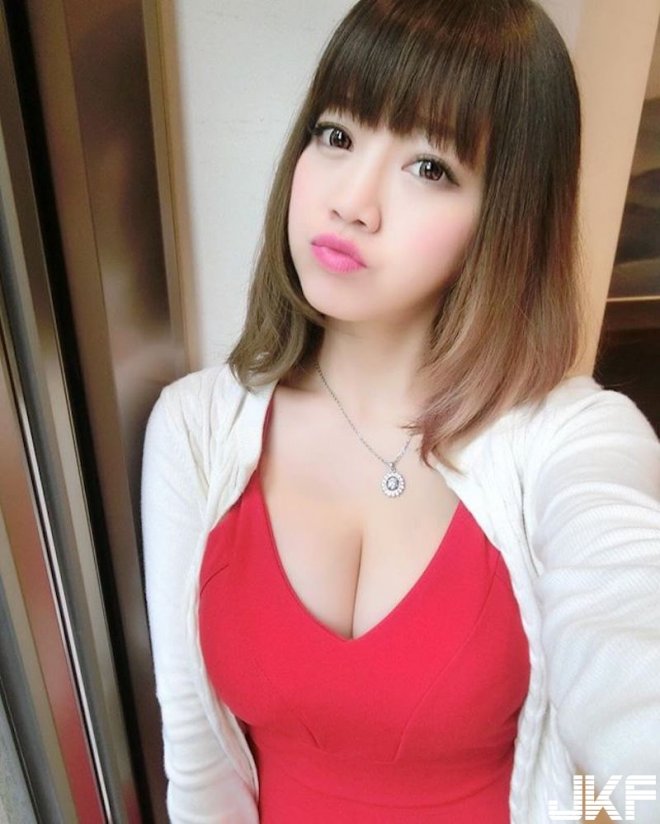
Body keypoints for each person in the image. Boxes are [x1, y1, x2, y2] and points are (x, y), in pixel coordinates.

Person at [140, 0, 660, 821]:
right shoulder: (194, 430)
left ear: (507, 216)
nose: (351, 202)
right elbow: (199, 764)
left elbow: (632, 651)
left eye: (430, 168)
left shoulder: (572, 439)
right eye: (336, 134)